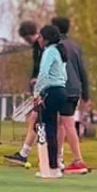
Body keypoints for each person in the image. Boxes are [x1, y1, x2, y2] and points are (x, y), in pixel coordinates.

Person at [52, 15, 90, 175]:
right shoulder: (75, 46)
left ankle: (78, 160)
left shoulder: (55, 47)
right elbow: (83, 70)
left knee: (67, 123)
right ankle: (58, 158)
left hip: (63, 88)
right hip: (75, 88)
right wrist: (86, 93)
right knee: (61, 122)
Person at [4, 20, 44, 166]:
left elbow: (41, 67)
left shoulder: (42, 46)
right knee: (34, 119)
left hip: (45, 88)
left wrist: (37, 85)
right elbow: (36, 68)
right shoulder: (37, 47)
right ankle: (23, 153)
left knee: (40, 120)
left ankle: (55, 157)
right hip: (40, 86)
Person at [35, 24, 67, 178]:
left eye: (40, 37)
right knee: (52, 128)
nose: (38, 40)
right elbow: (64, 75)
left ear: (46, 39)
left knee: (48, 129)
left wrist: (37, 92)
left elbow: (43, 73)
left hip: (52, 91)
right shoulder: (59, 52)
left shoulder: (49, 51)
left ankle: (51, 167)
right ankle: (54, 165)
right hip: (61, 90)